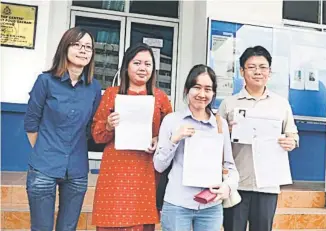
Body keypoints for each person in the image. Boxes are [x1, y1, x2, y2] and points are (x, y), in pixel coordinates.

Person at [24, 27, 102, 231]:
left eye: (88, 47)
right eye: (77, 45)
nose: (83, 50)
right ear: (64, 48)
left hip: (77, 169)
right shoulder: (46, 82)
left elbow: (90, 128)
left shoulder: (94, 88)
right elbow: (31, 123)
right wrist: (45, 151)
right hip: (44, 167)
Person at [91, 42, 172, 231]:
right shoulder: (111, 94)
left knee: (141, 223)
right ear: (126, 66)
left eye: (148, 64)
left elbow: (170, 134)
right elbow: (96, 134)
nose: (143, 68)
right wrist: (109, 125)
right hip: (115, 170)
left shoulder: (160, 98)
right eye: (137, 63)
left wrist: (158, 139)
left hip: (146, 170)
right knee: (110, 220)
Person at [218, 46, 299, 231]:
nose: (257, 72)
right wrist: (227, 133)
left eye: (263, 67)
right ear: (242, 71)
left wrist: (291, 142)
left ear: (269, 72)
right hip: (236, 182)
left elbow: (292, 134)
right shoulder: (229, 104)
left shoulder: (281, 104)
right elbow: (216, 141)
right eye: (251, 67)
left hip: (268, 184)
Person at [153, 64, 239, 231]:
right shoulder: (172, 121)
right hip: (178, 204)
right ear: (187, 89)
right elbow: (159, 165)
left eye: (208, 89)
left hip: (211, 207)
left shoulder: (219, 124)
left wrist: (227, 187)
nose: (202, 94)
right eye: (197, 87)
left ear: (213, 93)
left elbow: (230, 167)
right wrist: (174, 139)